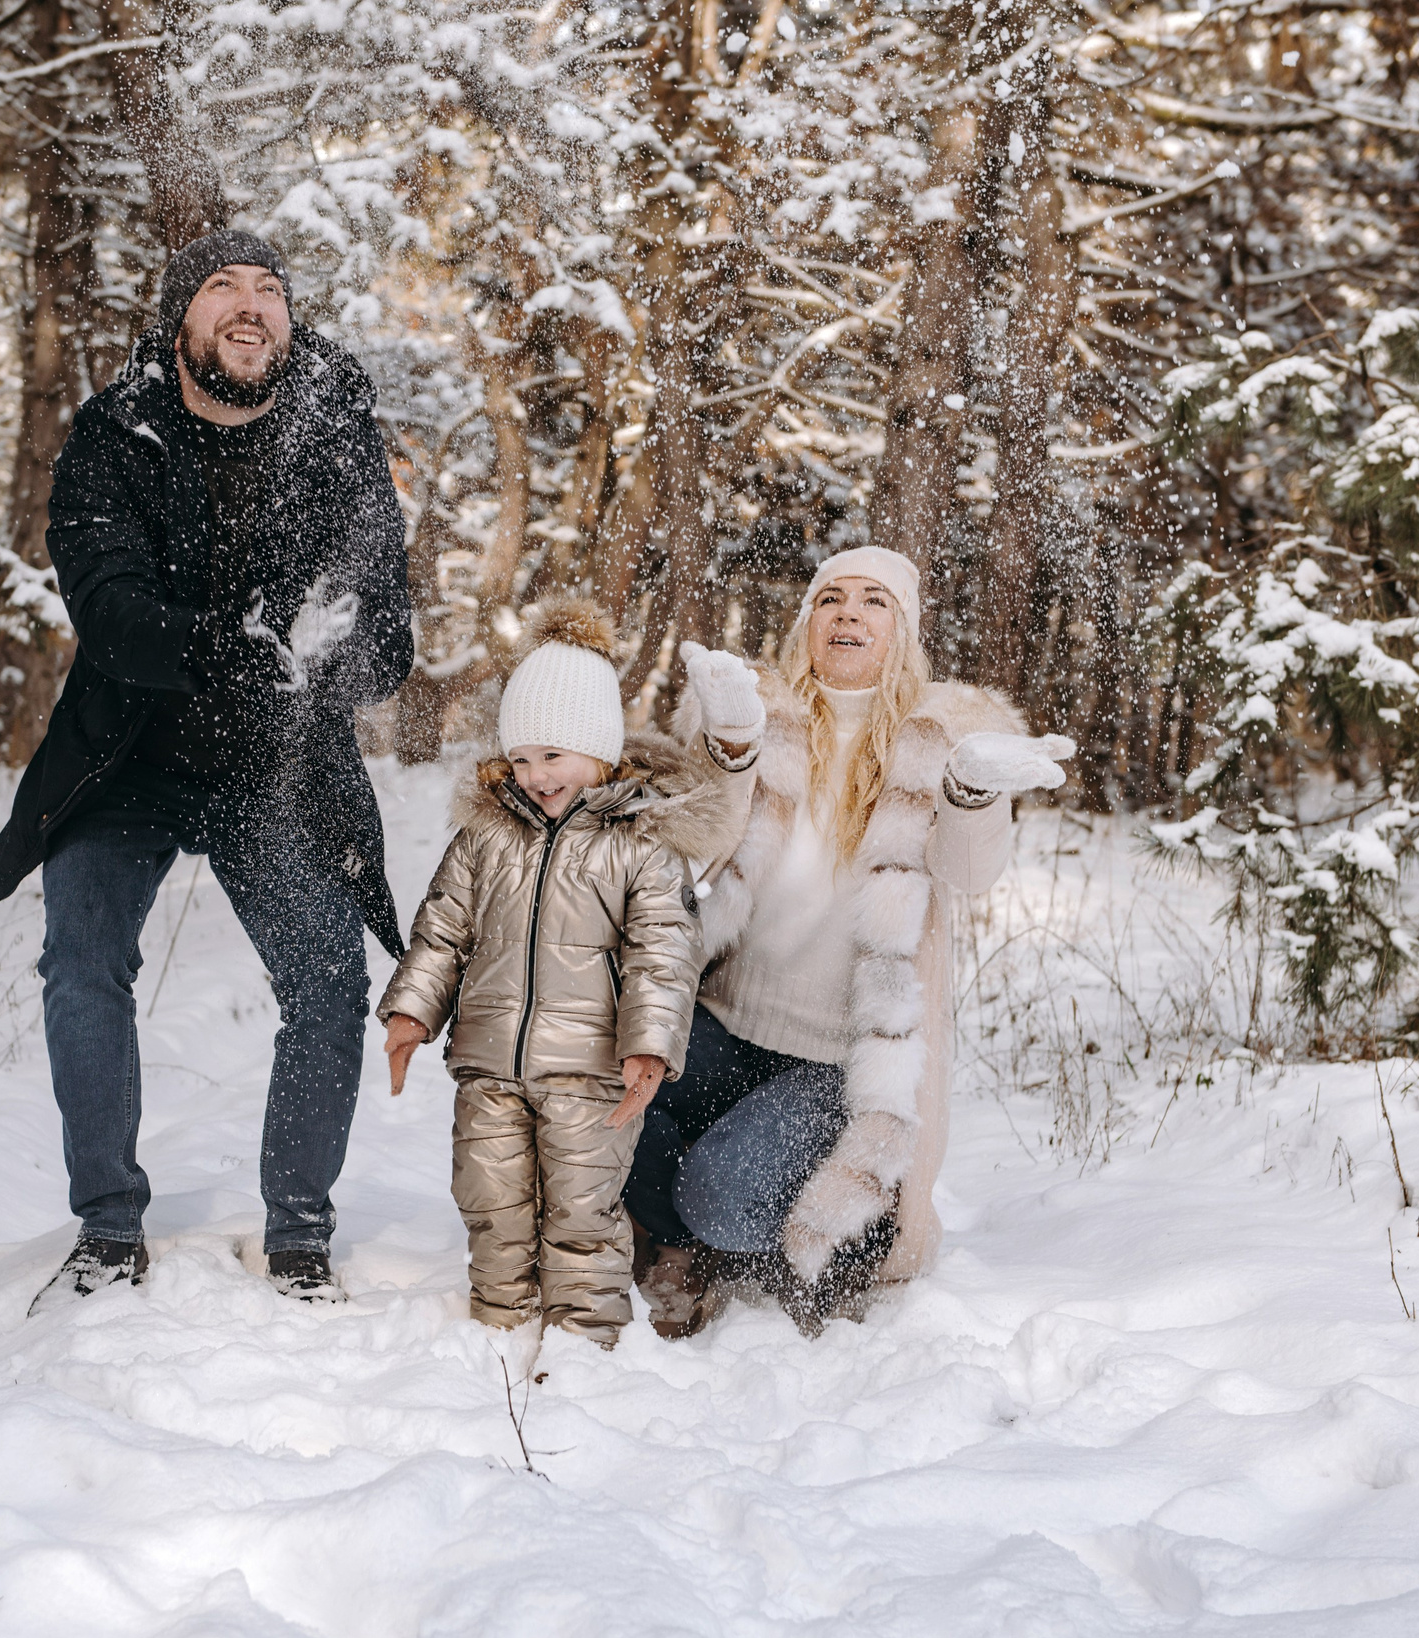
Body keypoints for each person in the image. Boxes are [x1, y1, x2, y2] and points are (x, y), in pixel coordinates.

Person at [0, 230, 415, 1313]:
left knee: (329, 983)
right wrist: (235, 639)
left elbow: (387, 631)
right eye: (223, 287)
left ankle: (299, 1233)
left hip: (274, 762)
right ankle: (108, 1224)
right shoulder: (116, 431)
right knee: (83, 963)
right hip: (128, 752)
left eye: (270, 289)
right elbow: (111, 615)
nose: (251, 304)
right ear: (183, 321)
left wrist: (321, 661)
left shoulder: (338, 433)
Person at [628, 546, 1075, 1335]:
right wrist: (729, 744)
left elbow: (970, 873)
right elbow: (703, 832)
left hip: (840, 1055)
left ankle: (845, 1233)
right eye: (831, 598)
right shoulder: (756, 715)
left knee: (722, 1200)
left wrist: (973, 792)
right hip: (726, 1019)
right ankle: (673, 1240)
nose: (848, 613)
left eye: (874, 600)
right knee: (603, 1084)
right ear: (806, 623)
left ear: (901, 630)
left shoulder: (941, 739)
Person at [375, 603, 746, 1348]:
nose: (536, 775)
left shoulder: (641, 845)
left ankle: (584, 1337)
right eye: (521, 758)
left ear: (601, 752)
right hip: (489, 1063)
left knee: (583, 1211)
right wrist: (413, 1011)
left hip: (592, 1073)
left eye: (555, 755)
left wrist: (648, 1047)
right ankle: (501, 1320)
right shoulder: (486, 834)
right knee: (490, 1198)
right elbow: (443, 927)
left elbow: (663, 958)